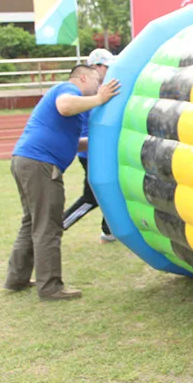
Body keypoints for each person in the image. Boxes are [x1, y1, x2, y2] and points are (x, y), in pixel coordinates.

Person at [4, 64, 121, 301]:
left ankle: (17, 278)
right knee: (48, 225)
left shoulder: (75, 104)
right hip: (40, 164)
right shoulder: (68, 90)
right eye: (97, 81)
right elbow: (65, 106)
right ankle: (50, 287)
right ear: (83, 77)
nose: (99, 86)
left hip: (26, 160)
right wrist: (99, 99)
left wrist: (102, 140)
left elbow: (73, 142)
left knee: (31, 222)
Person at [62, 48, 117, 243]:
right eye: (106, 66)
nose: (108, 70)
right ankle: (59, 226)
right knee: (91, 196)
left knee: (112, 187)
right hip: (90, 152)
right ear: (95, 66)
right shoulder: (87, 91)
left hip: (97, 149)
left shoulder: (99, 88)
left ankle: (109, 230)